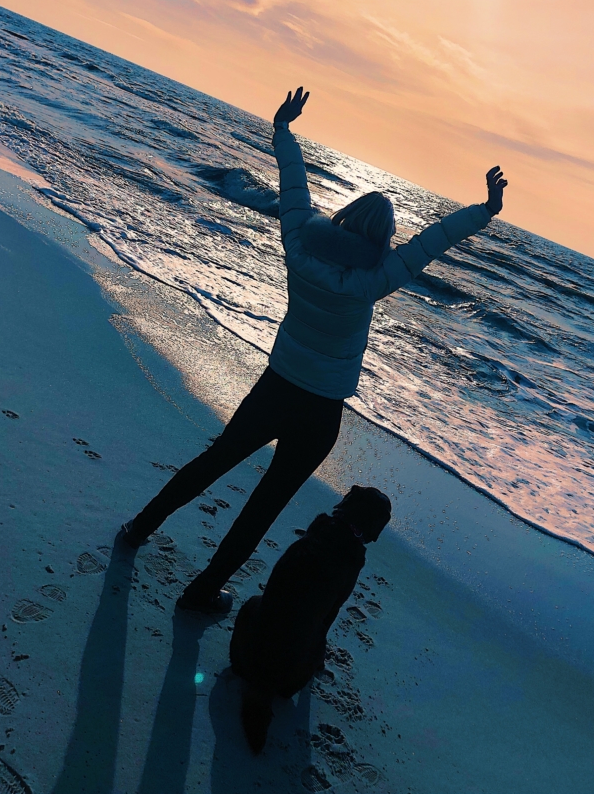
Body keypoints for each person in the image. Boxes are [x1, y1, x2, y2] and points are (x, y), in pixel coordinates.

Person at [121, 87, 507, 613]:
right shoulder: (378, 278)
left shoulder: (299, 244)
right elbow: (433, 241)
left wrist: (283, 130)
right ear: (383, 237)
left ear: (345, 214)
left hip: (275, 386)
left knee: (215, 460)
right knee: (264, 507)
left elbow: (295, 186)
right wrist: (484, 210)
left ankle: (139, 528)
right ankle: (202, 591)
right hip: (321, 410)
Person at [230, 485, 392, 754]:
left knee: (258, 605)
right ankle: (270, 689)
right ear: (374, 529)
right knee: (313, 629)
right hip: (287, 682)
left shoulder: (318, 532)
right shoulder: (350, 559)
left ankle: (258, 684)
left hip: (245, 657)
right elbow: (326, 620)